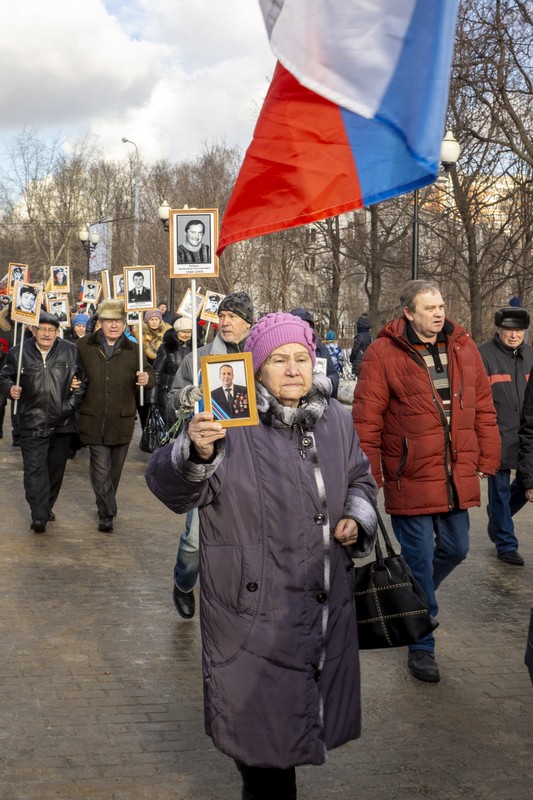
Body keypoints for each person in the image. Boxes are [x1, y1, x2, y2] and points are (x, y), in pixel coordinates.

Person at [146, 311, 378, 799]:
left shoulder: (335, 418)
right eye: (278, 359)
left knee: (286, 738)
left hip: (320, 606)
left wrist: (356, 518)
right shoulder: (230, 420)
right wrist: (197, 452)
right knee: (264, 756)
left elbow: (359, 476)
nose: (293, 369)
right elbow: (170, 489)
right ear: (255, 367)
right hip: (252, 610)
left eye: (301, 357)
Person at [352, 279, 500, 683]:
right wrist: (368, 478)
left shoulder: (463, 346)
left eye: (441, 305)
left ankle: (412, 598)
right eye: (430, 307)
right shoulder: (382, 353)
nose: (439, 313)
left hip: (455, 474)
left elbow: (483, 405)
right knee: (417, 560)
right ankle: (422, 647)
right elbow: (367, 420)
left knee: (457, 548)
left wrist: (488, 456)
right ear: (409, 313)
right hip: (408, 476)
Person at [167, 291, 254, 619]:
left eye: (234, 317)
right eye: (224, 315)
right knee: (193, 539)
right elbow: (171, 400)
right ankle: (184, 581)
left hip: (247, 458)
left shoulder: (260, 358)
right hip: (206, 456)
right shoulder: (197, 357)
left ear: (248, 323)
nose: (227, 321)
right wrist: (186, 396)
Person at [0, 311, 87, 532]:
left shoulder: (70, 350)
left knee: (55, 469)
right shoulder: (18, 352)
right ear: (33, 330)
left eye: (51, 330)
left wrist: (69, 406)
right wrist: (11, 389)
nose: (46, 334)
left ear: (57, 332)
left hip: (63, 421)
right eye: (42, 329)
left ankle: (46, 505)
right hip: (32, 420)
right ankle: (38, 514)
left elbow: (82, 381)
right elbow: (4, 376)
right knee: (34, 470)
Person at [77, 299, 155, 532]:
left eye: (118, 321)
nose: (114, 326)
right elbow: (73, 371)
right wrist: (72, 382)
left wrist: (146, 379)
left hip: (121, 419)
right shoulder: (83, 346)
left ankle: (105, 502)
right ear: (100, 323)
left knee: (115, 470)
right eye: (109, 321)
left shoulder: (135, 350)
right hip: (93, 417)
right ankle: (107, 512)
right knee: (99, 467)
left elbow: (152, 375)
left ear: (124, 324)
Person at [479, 305, 533, 566]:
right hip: (496, 435)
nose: (514, 336)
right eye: (509, 330)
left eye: (519, 331)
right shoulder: (483, 356)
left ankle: (498, 516)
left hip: (527, 436)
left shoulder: (531, 356)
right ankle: (505, 543)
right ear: (498, 329)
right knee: (498, 490)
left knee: (526, 484)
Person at [289, 308, 339, 398]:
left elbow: (334, 374)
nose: (303, 332)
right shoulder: (283, 351)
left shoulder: (322, 350)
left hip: (318, 400)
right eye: (298, 327)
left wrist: (328, 382)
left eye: (306, 327)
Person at [152, 317, 192, 425]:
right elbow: (156, 373)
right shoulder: (167, 348)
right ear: (176, 332)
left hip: (189, 392)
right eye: (183, 332)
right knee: (170, 426)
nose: (186, 335)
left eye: (189, 332)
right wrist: (152, 399)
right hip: (168, 392)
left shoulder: (195, 348)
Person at [349, 313, 373, 378]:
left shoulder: (359, 336)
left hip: (359, 362)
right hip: (368, 362)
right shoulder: (369, 336)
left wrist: (351, 358)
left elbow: (355, 349)